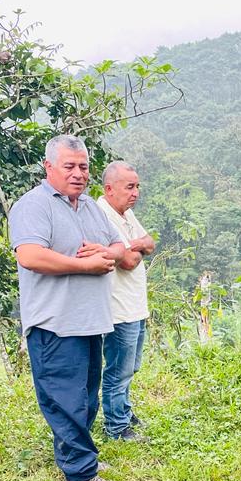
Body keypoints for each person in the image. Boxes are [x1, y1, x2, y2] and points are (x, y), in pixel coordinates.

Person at [9, 135, 125, 481]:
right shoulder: (33, 205)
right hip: (55, 324)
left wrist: (107, 251)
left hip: (90, 320)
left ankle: (79, 455)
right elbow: (29, 255)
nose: (78, 174)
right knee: (65, 400)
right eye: (69, 166)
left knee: (86, 398)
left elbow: (119, 246)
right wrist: (86, 266)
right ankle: (81, 476)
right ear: (49, 167)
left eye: (83, 167)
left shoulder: (90, 206)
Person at [97, 161, 155, 441]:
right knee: (118, 370)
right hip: (119, 308)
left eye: (137, 186)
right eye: (130, 187)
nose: (136, 193)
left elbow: (150, 242)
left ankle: (123, 410)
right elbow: (129, 261)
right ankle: (116, 426)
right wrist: (136, 246)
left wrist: (134, 245)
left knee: (130, 367)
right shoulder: (103, 216)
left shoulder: (125, 214)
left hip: (135, 305)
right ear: (110, 189)